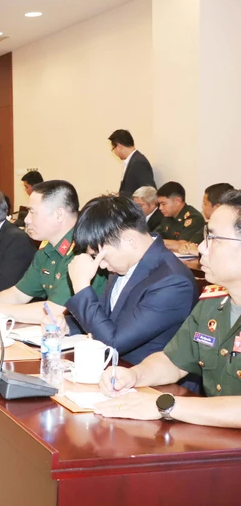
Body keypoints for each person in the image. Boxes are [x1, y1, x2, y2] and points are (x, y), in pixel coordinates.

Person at [95, 190, 241, 426]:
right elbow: (173, 361)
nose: (201, 248)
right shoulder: (214, 302)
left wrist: (167, 405)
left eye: (213, 239)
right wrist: (134, 375)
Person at [64, 195, 198, 364]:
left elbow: (113, 343)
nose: (102, 265)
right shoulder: (124, 264)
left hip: (151, 383)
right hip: (117, 372)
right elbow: (106, 319)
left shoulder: (172, 281)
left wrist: (81, 285)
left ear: (129, 240)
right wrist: (68, 324)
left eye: (101, 256)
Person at [0, 180, 106, 324]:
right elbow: (18, 294)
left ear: (59, 214)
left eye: (33, 213)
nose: (26, 220)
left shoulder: (82, 249)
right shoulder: (47, 250)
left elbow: (55, 311)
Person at [156, 182, 204, 250]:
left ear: (177, 201)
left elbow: (182, 245)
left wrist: (154, 242)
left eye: (163, 204)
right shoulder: (168, 217)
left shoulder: (194, 218)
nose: (160, 208)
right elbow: (156, 234)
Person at [110, 129, 155, 198]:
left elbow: (148, 192)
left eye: (113, 149)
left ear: (119, 146)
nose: (114, 152)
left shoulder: (139, 162)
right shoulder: (133, 160)